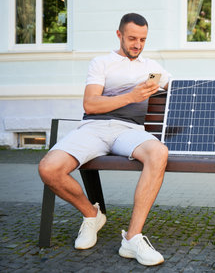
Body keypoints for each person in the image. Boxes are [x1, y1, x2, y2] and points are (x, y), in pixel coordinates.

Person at [38, 13, 172, 266]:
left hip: (129, 131)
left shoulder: (151, 69)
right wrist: (132, 96)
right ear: (119, 35)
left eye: (143, 39)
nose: (137, 44)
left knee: (159, 152)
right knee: (48, 168)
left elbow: (175, 85)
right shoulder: (101, 63)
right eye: (132, 38)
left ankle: (132, 239)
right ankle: (92, 215)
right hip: (93, 128)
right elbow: (90, 103)